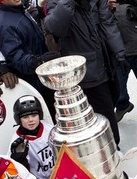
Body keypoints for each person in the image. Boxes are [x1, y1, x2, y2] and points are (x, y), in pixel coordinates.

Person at [44, 0, 127, 149]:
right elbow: (54, 28)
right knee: (89, 124)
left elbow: (107, 23)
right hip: (82, 74)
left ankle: (115, 149)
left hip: (105, 67)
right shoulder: (57, 2)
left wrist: (120, 53)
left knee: (109, 115)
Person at [0, 0, 60, 124]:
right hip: (34, 88)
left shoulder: (20, 11)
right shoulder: (3, 24)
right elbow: (15, 59)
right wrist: (40, 61)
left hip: (45, 80)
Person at [108, 0, 137, 123]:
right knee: (117, 88)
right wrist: (109, 9)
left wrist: (136, 3)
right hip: (118, 49)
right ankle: (123, 105)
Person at [8, 95, 55, 179]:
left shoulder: (49, 128)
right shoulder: (17, 142)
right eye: (25, 117)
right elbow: (18, 172)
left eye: (34, 115)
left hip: (58, 174)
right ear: (19, 119)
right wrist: (19, 159)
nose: (31, 120)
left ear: (39, 115)